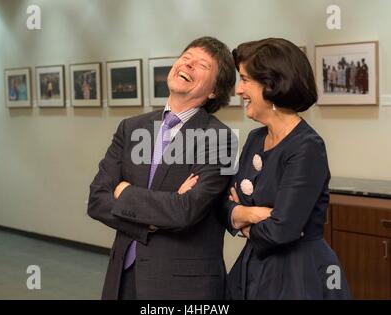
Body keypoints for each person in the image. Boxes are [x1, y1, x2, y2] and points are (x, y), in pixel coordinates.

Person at [88, 36, 236, 300]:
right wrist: (152, 223)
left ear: (214, 90)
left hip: (182, 286)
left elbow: (186, 211)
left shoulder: (221, 139)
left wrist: (125, 192)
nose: (188, 64)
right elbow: (97, 199)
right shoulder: (131, 128)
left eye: (202, 64)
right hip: (123, 275)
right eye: (186, 56)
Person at [223, 38, 351, 299]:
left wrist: (243, 219)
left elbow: (281, 231)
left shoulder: (307, 146)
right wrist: (256, 213)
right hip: (253, 267)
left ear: (270, 84)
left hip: (296, 274)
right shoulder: (255, 139)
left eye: (245, 79)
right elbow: (225, 205)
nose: (238, 89)